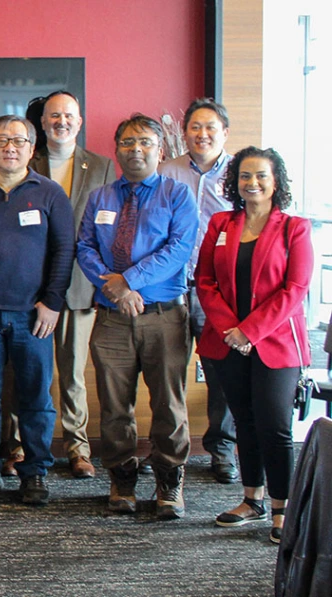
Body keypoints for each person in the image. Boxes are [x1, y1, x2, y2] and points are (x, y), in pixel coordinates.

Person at [76, 114, 197, 520]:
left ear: (160, 150)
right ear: (116, 150)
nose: (136, 149)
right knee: (114, 405)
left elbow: (179, 249)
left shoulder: (177, 195)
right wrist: (113, 288)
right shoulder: (101, 197)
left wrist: (129, 281)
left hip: (164, 315)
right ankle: (122, 478)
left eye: (145, 142)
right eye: (127, 143)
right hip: (112, 318)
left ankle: (169, 482)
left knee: (169, 404)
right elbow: (85, 248)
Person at [196, 147, 311, 544]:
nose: (253, 183)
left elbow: (295, 289)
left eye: (261, 175)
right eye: (245, 176)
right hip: (228, 342)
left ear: (276, 180)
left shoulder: (294, 228)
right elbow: (205, 280)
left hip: (276, 343)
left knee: (275, 426)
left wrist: (251, 331)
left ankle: (284, 508)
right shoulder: (221, 223)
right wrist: (232, 329)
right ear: (235, 182)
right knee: (243, 421)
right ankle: (252, 499)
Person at [0, 115, 74, 506]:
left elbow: (63, 251)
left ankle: (35, 472)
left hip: (33, 315)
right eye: (2, 141)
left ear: (31, 147)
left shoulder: (50, 193)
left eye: (19, 141)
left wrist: (53, 302)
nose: (11, 147)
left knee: (35, 398)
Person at [28, 91, 116, 479]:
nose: (61, 122)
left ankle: (78, 448)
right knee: (30, 372)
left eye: (68, 116)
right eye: (53, 116)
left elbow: (108, 231)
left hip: (80, 287)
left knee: (73, 375)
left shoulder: (102, 167)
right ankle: (21, 444)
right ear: (42, 123)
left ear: (79, 122)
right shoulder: (25, 160)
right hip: (30, 287)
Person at [157, 98, 239, 484]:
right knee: (167, 371)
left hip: (219, 291)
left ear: (224, 132)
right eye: (195, 127)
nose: (202, 134)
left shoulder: (242, 174)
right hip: (172, 287)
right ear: (184, 132)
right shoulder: (167, 172)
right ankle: (168, 450)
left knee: (222, 372)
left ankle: (222, 448)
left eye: (210, 128)